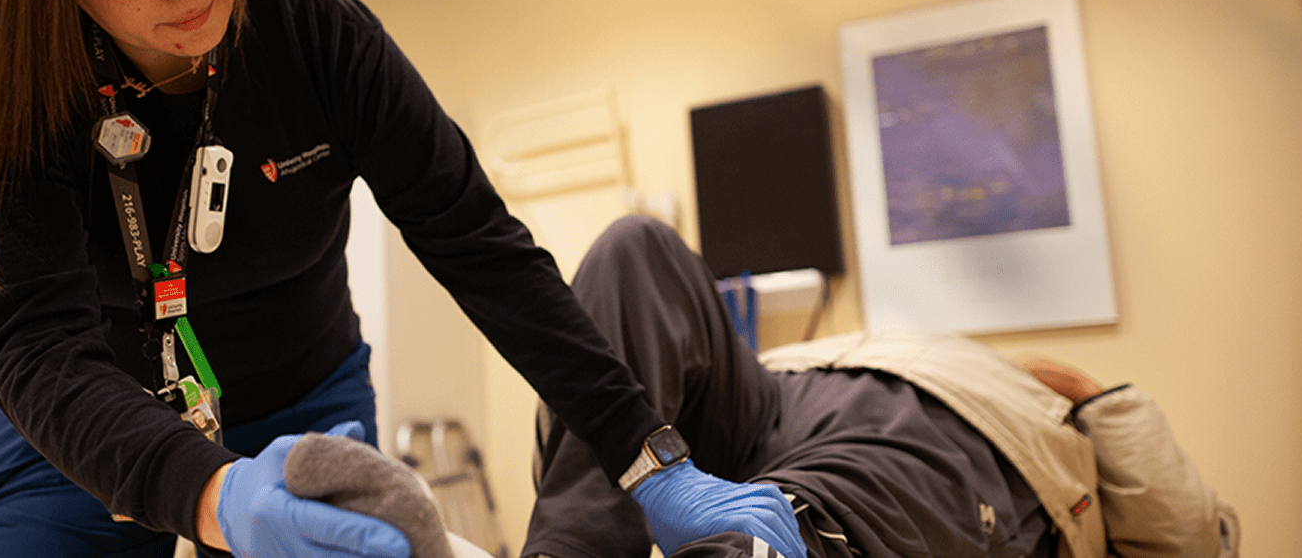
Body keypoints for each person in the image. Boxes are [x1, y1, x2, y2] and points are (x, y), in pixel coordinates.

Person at [0, 0, 808, 557]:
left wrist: (649, 455)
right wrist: (213, 492)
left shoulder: (314, 37)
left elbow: (479, 244)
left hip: (299, 391)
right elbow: (39, 351)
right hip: (77, 416)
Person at [524, 215, 1242, 558]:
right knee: (637, 247)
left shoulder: (1043, 423)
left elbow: (1192, 539)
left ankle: (759, 546)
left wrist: (1092, 396)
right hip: (772, 399)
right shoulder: (890, 345)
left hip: (931, 459)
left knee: (830, 490)